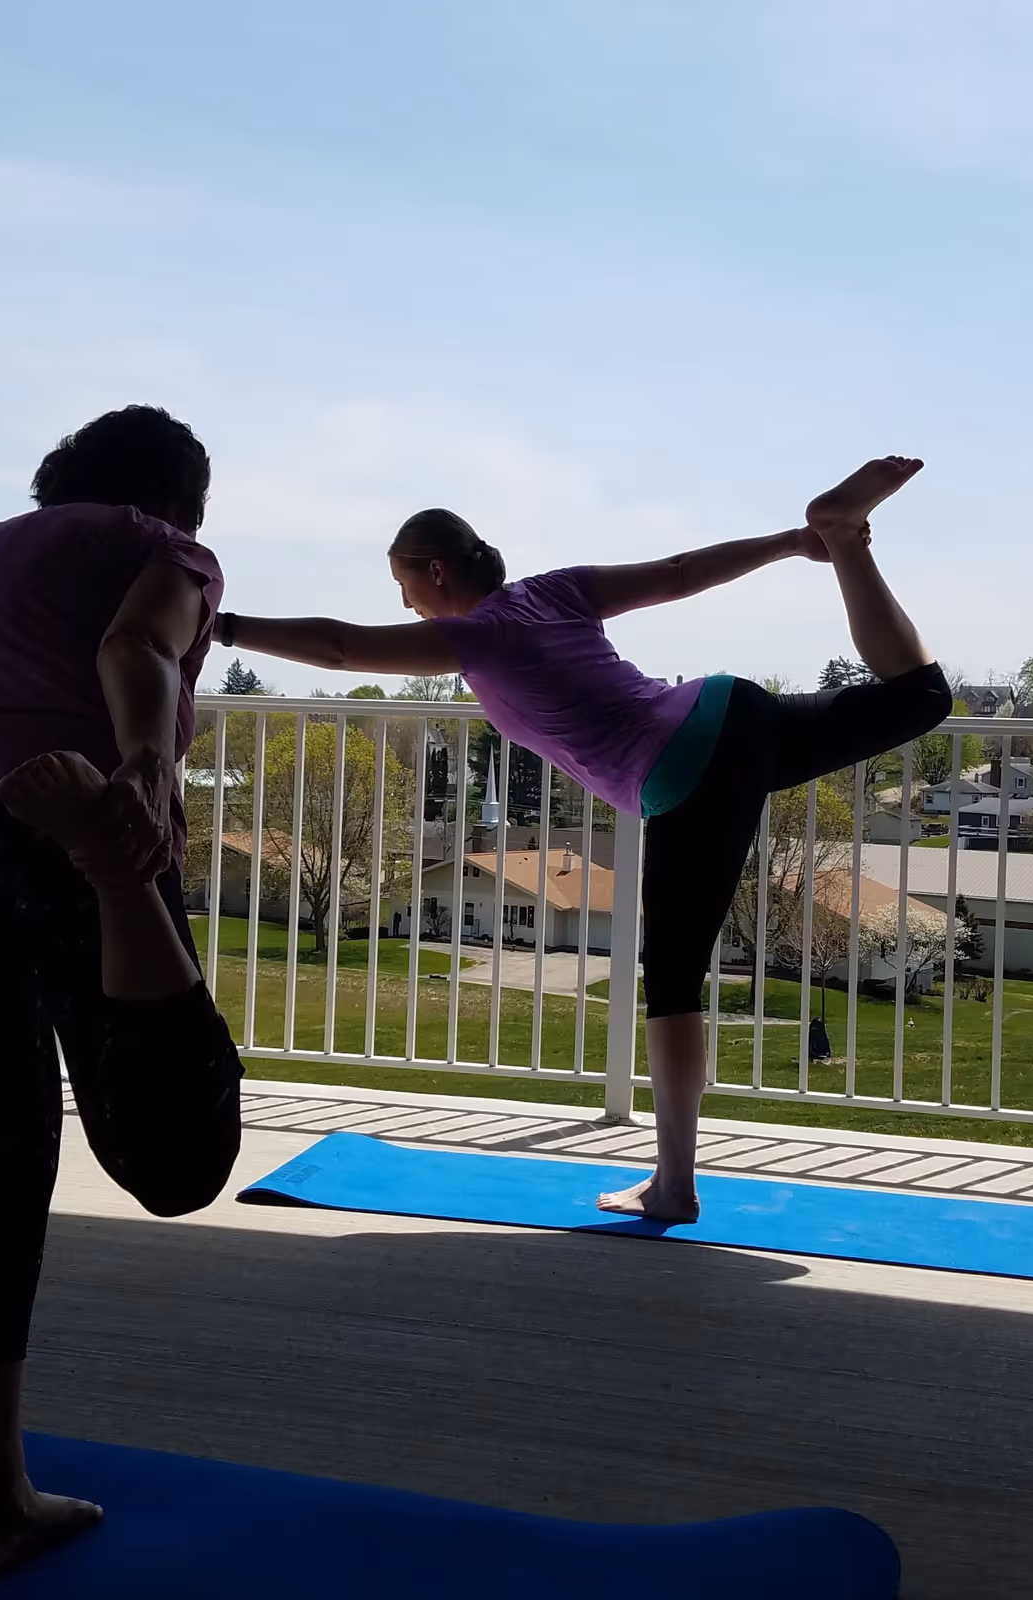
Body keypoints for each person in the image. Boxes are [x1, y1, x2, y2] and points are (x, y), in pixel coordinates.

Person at [213, 457, 951, 1223]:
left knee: (671, 988)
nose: (402, 601)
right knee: (922, 696)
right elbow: (678, 572)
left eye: (403, 584)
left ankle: (674, 1185)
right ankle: (845, 538)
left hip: (687, 773)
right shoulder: (553, 590)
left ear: (434, 573)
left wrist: (224, 626)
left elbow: (340, 647)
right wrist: (794, 543)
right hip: (731, 711)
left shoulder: (474, 637)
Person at [0, 405, 243, 1581]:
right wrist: (142, 769)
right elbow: (133, 650)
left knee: (5, 1158)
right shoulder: (169, 545)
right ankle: (106, 859)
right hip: (58, 809)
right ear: (181, 498)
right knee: (176, 1157)